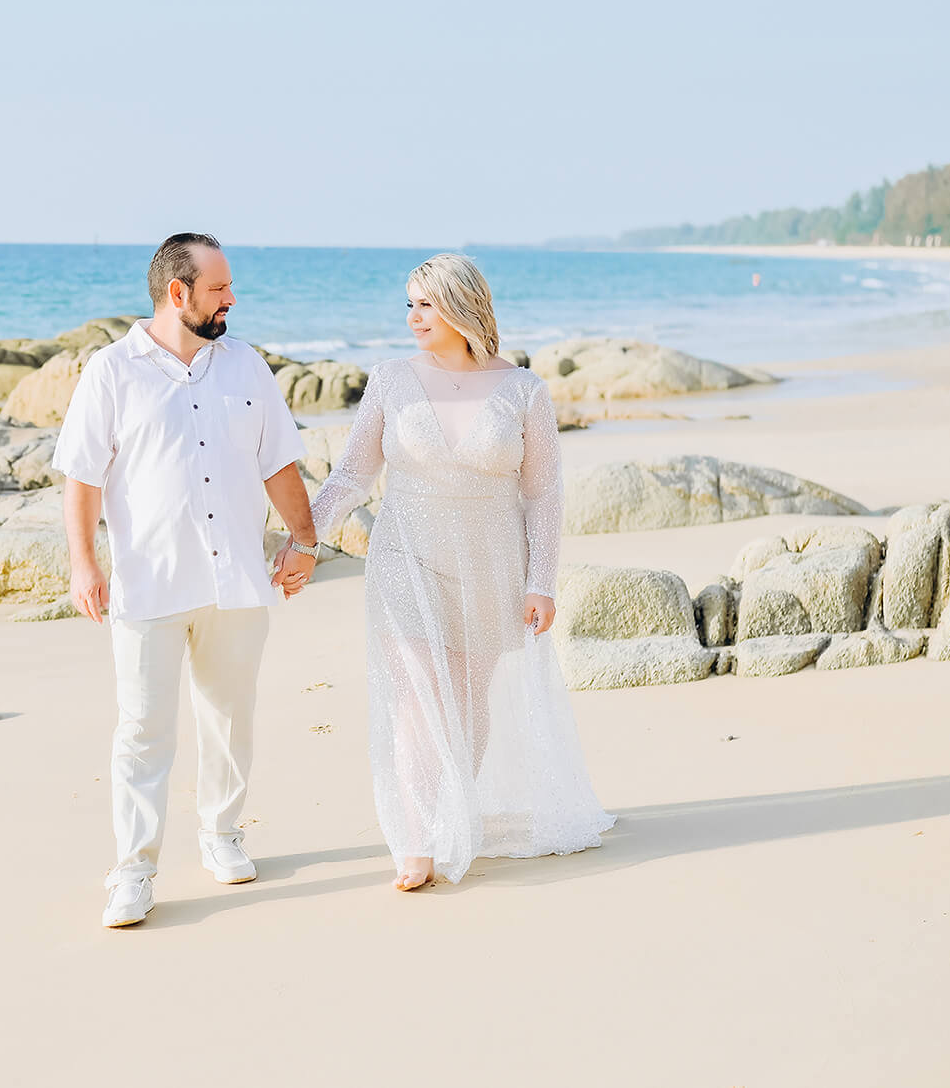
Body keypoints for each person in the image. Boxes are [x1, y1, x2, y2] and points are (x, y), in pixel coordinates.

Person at [305, 252, 614, 891]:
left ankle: (452, 809)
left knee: (468, 699)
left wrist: (541, 581)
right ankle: (415, 837)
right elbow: (356, 472)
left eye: (426, 303)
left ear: (462, 307)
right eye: (409, 304)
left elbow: (544, 494)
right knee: (418, 694)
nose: (414, 317)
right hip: (404, 555)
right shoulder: (390, 379)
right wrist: (306, 536)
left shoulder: (525, 390)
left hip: (489, 561)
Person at [54, 232, 320, 928]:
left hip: (236, 582)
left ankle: (222, 833)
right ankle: (134, 872)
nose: (233, 299)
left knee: (231, 721)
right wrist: (85, 564)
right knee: (143, 730)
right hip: (148, 587)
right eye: (219, 289)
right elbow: (81, 478)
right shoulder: (111, 373)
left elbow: (279, 465)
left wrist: (307, 542)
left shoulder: (247, 369)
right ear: (179, 293)